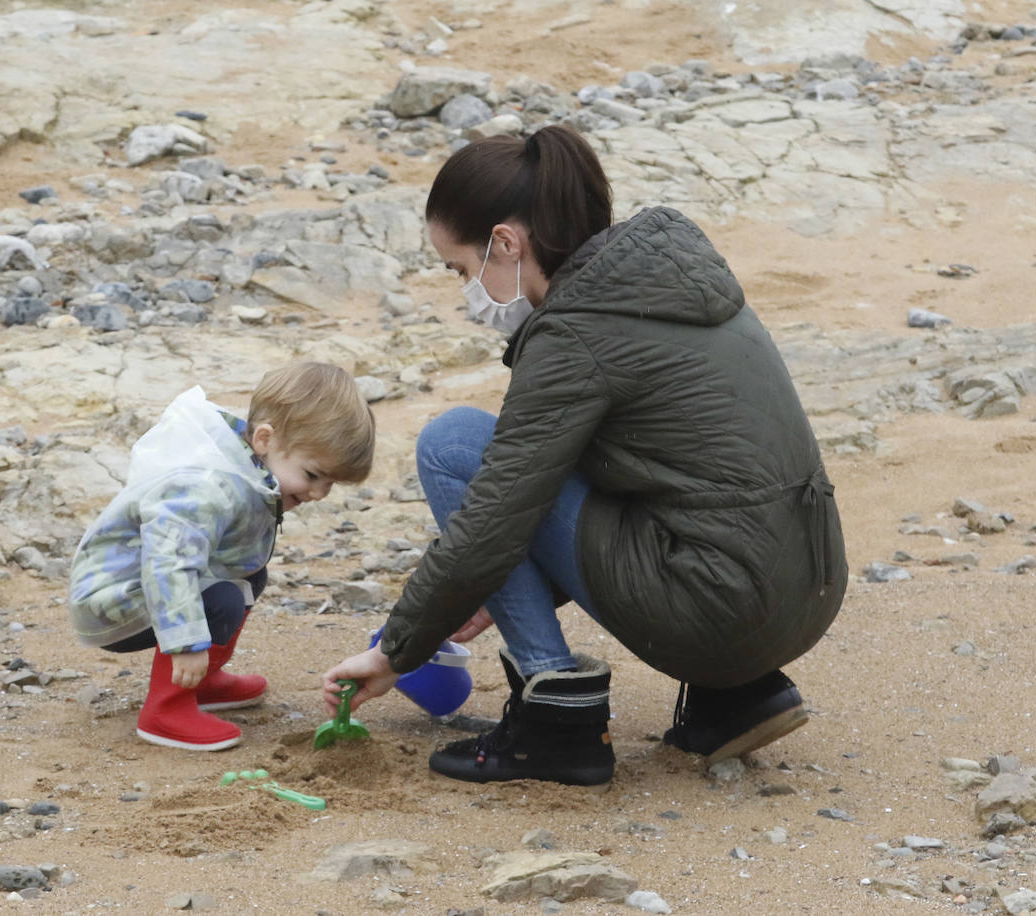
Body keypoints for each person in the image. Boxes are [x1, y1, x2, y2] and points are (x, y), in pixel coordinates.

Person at [322, 124, 846, 786]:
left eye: (461, 269)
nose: (467, 294)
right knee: (579, 469)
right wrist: (504, 588)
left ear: (507, 243)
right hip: (808, 587)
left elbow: (497, 513)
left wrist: (397, 653)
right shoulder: (661, 280)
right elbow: (657, 475)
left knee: (454, 443)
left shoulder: (575, 334)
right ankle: (734, 699)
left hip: (723, 611)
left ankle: (555, 719)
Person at [71, 362, 374, 750]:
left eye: (331, 483)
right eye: (313, 475)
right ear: (264, 439)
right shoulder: (207, 485)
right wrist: (186, 643)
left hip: (149, 584)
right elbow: (169, 563)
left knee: (250, 576)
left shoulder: (251, 467)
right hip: (111, 596)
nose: (319, 493)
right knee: (221, 599)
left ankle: (203, 682)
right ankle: (165, 710)